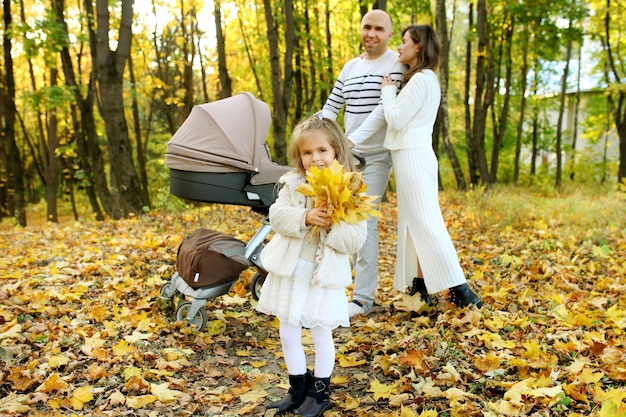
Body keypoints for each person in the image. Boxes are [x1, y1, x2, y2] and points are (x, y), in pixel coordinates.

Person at [256, 114, 368, 416]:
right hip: (292, 269)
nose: (315, 158)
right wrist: (304, 217)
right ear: (299, 157)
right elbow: (277, 216)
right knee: (288, 329)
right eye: (307, 153)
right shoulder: (292, 184)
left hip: (323, 275)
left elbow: (355, 239)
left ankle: (319, 392)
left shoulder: (352, 190)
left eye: (322, 151)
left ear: (336, 153)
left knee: (320, 331)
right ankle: (297, 387)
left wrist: (333, 227)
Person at [376, 24, 483, 308]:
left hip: (413, 156)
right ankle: (420, 286)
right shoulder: (425, 79)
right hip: (411, 155)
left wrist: (387, 91)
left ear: (419, 46)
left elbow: (396, 119)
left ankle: (462, 291)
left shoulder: (422, 79)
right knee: (413, 225)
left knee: (426, 223)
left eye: (403, 41)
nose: (399, 47)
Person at [322, 9, 406, 318]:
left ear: (389, 34)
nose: (372, 33)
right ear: (360, 29)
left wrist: (351, 141)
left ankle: (363, 297)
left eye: (379, 29)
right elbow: (331, 107)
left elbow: (384, 111)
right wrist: (311, 135)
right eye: (367, 27)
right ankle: (340, 287)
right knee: (342, 223)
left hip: (375, 158)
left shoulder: (397, 63)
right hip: (346, 158)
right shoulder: (350, 67)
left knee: (366, 225)